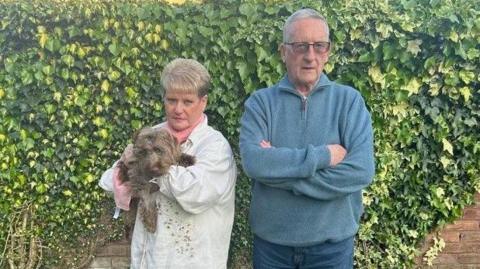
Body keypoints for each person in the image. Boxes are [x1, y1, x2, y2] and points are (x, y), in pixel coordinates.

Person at [239, 8, 375, 269]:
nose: (310, 56)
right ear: (283, 51)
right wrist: (324, 155)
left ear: (328, 51)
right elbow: (255, 163)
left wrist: (281, 176)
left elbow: (360, 171)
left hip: (331, 250)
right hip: (272, 249)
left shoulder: (349, 102)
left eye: (319, 46)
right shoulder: (260, 104)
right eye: (300, 46)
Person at [99, 58, 237, 269]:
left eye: (187, 102)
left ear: (203, 102)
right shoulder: (153, 135)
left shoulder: (214, 146)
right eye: (171, 100)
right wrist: (126, 165)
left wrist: (145, 165)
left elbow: (195, 192)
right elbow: (109, 183)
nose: (178, 109)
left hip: (191, 261)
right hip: (148, 260)